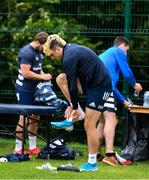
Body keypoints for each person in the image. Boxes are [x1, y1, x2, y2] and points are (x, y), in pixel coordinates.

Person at [43, 34, 118, 171]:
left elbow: (72, 86)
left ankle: (92, 163)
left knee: (89, 124)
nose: (53, 58)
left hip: (100, 87)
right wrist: (73, 106)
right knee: (60, 79)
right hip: (90, 85)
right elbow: (70, 81)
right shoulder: (71, 50)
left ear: (58, 49)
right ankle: (80, 114)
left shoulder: (68, 57)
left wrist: (74, 107)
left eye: (52, 55)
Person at [96, 36, 143, 164]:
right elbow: (127, 73)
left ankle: (95, 154)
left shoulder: (107, 55)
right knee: (112, 119)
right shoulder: (117, 51)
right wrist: (135, 85)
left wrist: (123, 101)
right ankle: (110, 155)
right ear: (122, 45)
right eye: (126, 51)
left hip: (96, 88)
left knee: (102, 121)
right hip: (103, 87)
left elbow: (112, 86)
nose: (126, 54)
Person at [14, 32, 52, 155]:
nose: (45, 50)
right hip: (24, 89)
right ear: (38, 42)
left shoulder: (38, 51)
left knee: (35, 116)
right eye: (44, 46)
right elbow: (26, 73)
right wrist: (43, 77)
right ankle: (18, 149)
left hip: (35, 89)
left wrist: (44, 76)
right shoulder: (26, 52)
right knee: (23, 118)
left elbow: (37, 68)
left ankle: (32, 147)